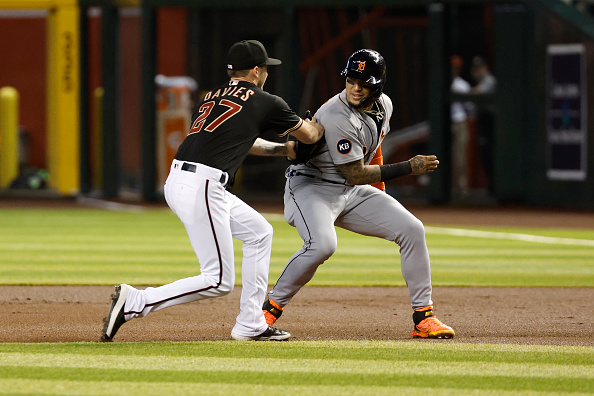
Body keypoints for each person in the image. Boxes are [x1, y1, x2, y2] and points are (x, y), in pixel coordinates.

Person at [100, 39, 324, 342]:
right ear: (257, 71)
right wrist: (316, 126)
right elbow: (310, 135)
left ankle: (251, 323)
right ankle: (136, 302)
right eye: (265, 69)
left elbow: (241, 142)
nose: (266, 74)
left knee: (260, 232)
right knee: (218, 280)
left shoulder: (211, 97)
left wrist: (283, 150)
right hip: (203, 185)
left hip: (182, 180)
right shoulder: (266, 100)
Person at [262, 49, 455, 339]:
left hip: (349, 190)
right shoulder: (338, 115)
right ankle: (265, 311)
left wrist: (379, 194)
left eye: (363, 83)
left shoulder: (384, 105)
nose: (355, 87)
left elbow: (373, 149)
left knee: (412, 229)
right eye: (351, 80)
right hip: (311, 187)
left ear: (378, 85)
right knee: (322, 245)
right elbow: (354, 173)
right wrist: (408, 167)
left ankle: (424, 318)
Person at [469, 56, 497, 193]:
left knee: (491, 153)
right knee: (485, 154)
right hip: (483, 121)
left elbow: (478, 92)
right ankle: (491, 186)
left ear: (485, 68)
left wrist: (467, 91)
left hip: (493, 122)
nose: (477, 72)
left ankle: (495, 187)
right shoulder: (479, 82)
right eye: (475, 69)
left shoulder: (490, 80)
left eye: (479, 68)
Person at [450, 55, 472, 197]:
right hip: (446, 124)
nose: (454, 70)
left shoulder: (463, 85)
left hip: (459, 123)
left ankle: (461, 188)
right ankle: (450, 188)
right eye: (452, 67)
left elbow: (470, 107)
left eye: (456, 67)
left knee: (460, 158)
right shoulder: (442, 83)